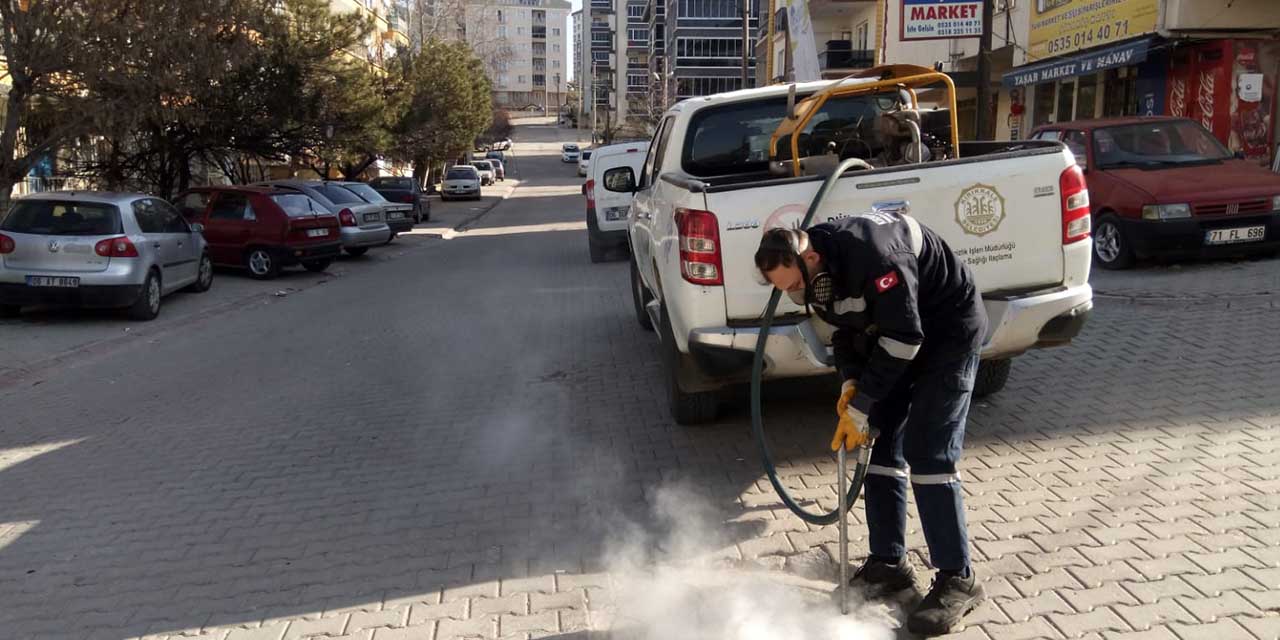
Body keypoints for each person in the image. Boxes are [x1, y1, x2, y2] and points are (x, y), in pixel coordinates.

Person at [753, 204, 987, 636]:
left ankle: (959, 577)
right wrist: (850, 385)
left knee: (928, 451)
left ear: (808, 258)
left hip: (946, 335)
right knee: (877, 442)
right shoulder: (819, 277)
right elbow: (846, 331)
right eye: (784, 291)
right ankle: (888, 563)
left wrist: (863, 404)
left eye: (794, 286)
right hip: (899, 339)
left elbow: (905, 335)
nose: (797, 296)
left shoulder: (875, 255)